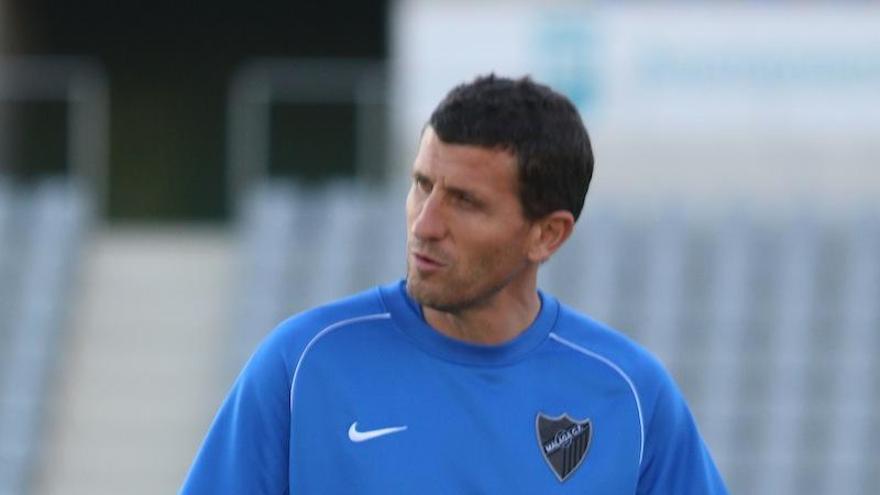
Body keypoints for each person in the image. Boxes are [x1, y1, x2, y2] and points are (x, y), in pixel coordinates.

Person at [180, 74, 728, 494]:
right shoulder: (302, 366)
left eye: (465, 201)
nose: (425, 225)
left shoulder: (630, 396)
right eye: (422, 186)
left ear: (547, 234)